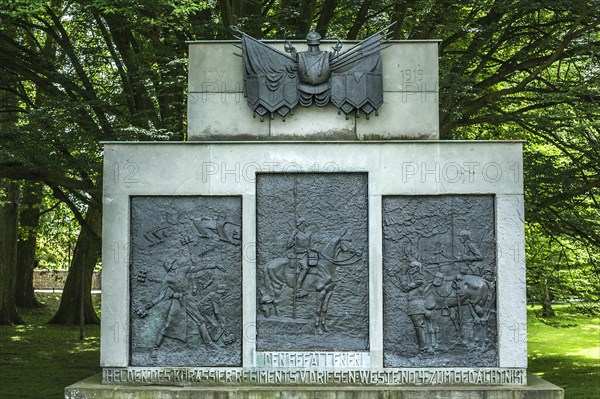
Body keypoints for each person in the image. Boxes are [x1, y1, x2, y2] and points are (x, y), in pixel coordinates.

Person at [399, 260, 434, 355]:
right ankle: (425, 348)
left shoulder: (419, 279)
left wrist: (403, 274)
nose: (410, 269)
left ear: (418, 269)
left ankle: (424, 349)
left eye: (413, 267)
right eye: (410, 267)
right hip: (414, 305)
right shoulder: (415, 278)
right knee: (419, 327)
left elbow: (405, 287)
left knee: (419, 327)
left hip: (417, 306)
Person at [286, 217, 314, 298]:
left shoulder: (309, 233)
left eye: (300, 224)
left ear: (304, 224)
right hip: (299, 256)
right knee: (305, 267)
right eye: (298, 225)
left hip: (309, 255)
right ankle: (298, 289)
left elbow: (312, 243)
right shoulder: (296, 234)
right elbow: (288, 245)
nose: (299, 226)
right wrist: (292, 235)